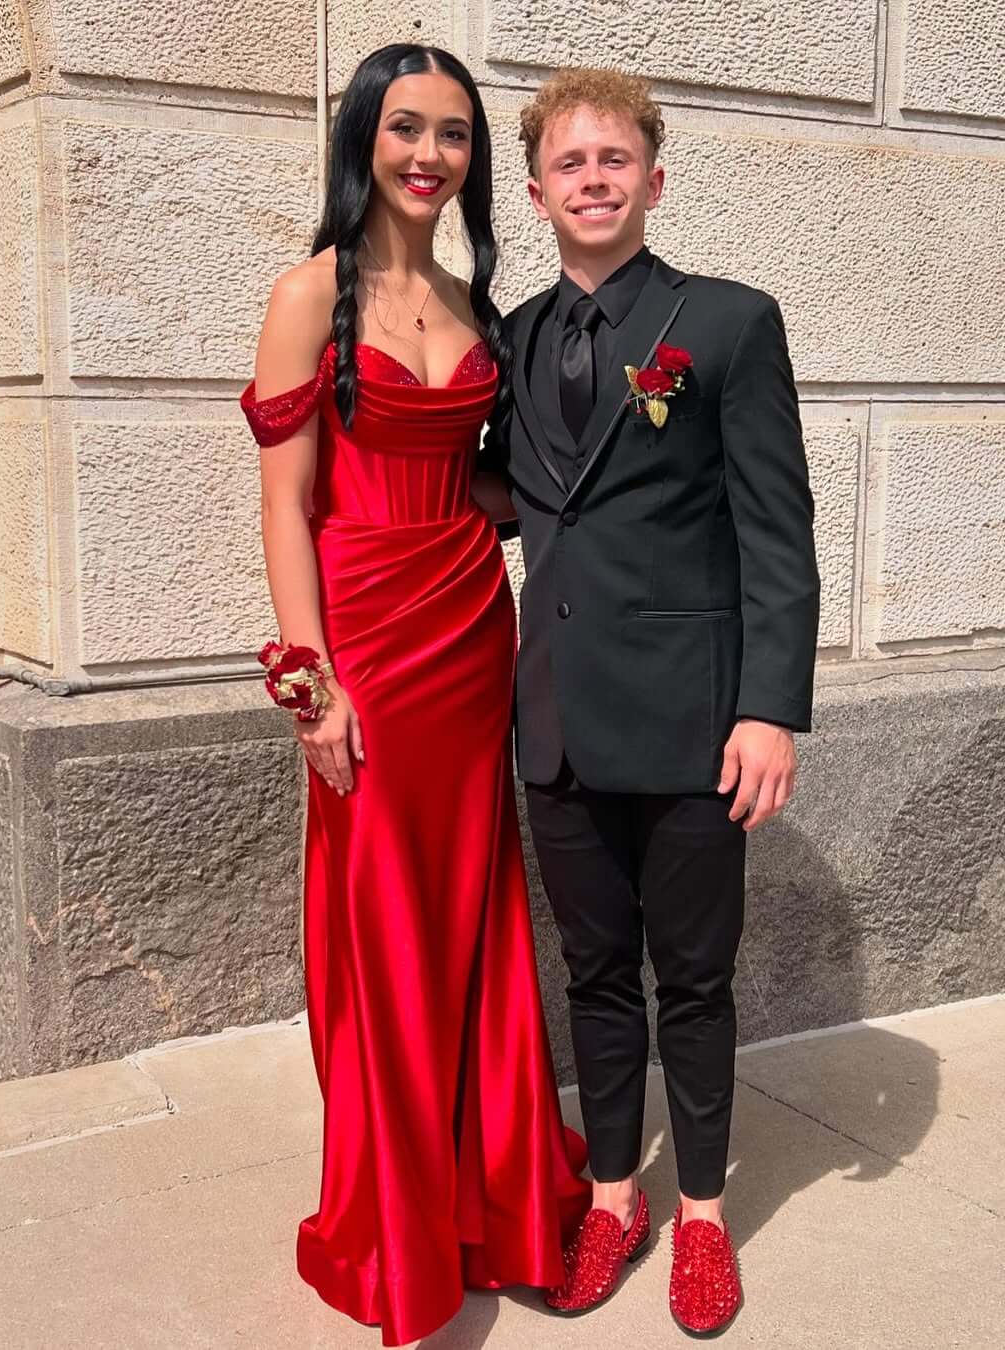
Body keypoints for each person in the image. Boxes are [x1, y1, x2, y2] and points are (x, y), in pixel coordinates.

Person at [239, 44, 589, 1348]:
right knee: (383, 924)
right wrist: (311, 685)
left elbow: (486, 484)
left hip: (470, 630)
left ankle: (491, 1196)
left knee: (474, 915)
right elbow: (285, 506)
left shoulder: (470, 299)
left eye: (453, 132)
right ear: (363, 140)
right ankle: (398, 1227)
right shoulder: (309, 294)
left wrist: (607, 493)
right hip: (370, 646)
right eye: (405, 128)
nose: (430, 154)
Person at [476, 68, 820, 1335]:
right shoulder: (511, 339)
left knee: (696, 980)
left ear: (654, 180)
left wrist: (770, 709)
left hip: (693, 724)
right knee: (596, 975)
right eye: (570, 164)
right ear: (536, 194)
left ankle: (706, 1217)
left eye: (614, 159)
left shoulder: (724, 323)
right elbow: (499, 492)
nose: (594, 180)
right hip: (556, 721)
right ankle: (615, 1197)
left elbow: (777, 533)